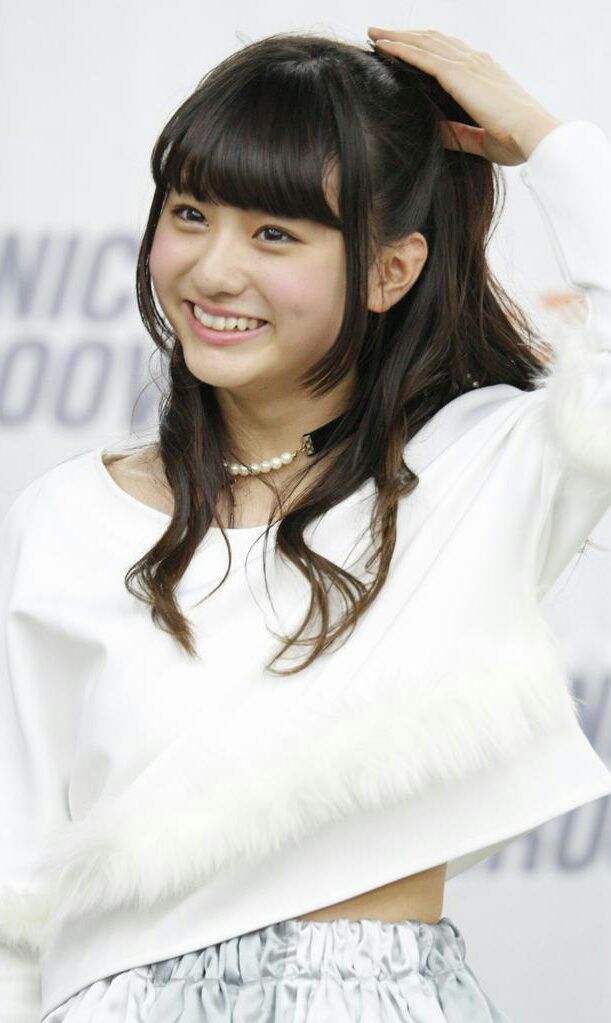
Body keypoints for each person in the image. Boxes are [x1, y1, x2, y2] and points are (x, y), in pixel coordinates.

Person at [1, 25, 611, 1023]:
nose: (212, 270)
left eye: (275, 234)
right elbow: (17, 885)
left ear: (388, 271)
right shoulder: (68, 518)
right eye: (190, 214)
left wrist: (548, 141)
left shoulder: (480, 468)